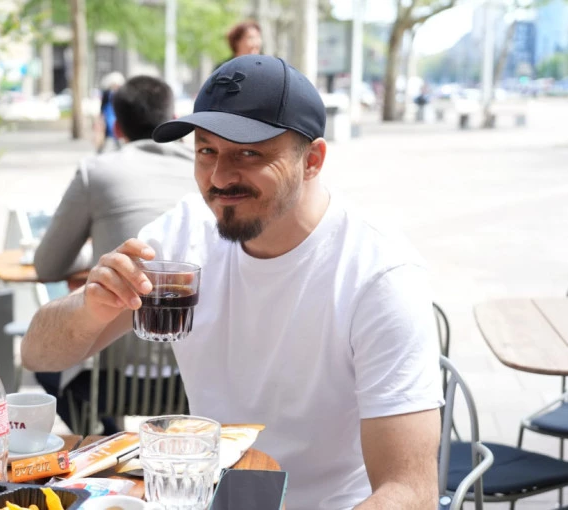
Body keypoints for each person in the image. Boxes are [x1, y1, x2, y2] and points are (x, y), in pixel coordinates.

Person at [22, 55, 443, 509]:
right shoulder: (182, 234)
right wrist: (91, 305)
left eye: (249, 153)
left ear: (312, 160)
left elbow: (410, 492)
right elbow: (38, 354)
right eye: (206, 151)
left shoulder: (379, 276)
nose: (220, 177)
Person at [32, 75, 197, 433]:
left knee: (47, 362)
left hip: (110, 382)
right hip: (191, 382)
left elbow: (47, 265)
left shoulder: (97, 171)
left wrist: (100, 259)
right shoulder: (205, 172)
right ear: (174, 118)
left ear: (117, 126)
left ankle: (105, 435)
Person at [96, 71, 125, 153]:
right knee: (109, 129)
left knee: (115, 129)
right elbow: (103, 104)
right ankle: (101, 149)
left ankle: (118, 146)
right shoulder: (107, 93)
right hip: (108, 113)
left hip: (115, 113)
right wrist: (101, 115)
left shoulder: (119, 93)